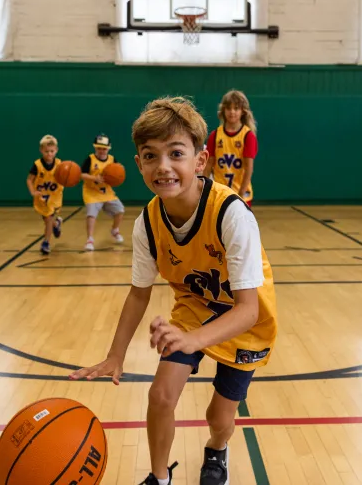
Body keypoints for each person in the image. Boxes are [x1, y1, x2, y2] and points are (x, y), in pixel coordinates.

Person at [70, 97, 278, 485]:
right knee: (160, 396)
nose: (163, 166)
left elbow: (248, 309)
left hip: (245, 319)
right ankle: (159, 476)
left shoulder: (232, 214)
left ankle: (217, 450)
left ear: (199, 161)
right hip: (196, 309)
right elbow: (138, 293)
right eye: (150, 156)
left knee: (220, 418)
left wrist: (190, 339)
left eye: (176, 153)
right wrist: (115, 355)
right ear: (138, 165)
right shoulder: (147, 223)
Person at [204, 90, 258, 206]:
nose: (232, 112)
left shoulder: (248, 136)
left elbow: (248, 168)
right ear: (223, 110)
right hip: (220, 193)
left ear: (243, 111)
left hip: (241, 193)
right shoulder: (215, 135)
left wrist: (241, 193)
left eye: (236, 108)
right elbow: (209, 165)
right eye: (229, 108)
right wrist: (202, 189)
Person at [80, 134, 126, 251]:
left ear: (108, 148)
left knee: (120, 210)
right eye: (99, 148)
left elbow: (118, 171)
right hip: (91, 193)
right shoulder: (90, 159)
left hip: (107, 193)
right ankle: (89, 239)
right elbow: (82, 174)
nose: (101, 150)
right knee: (91, 215)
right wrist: (94, 178)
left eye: (104, 148)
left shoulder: (111, 159)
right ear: (95, 148)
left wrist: (120, 172)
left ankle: (115, 230)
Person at [26, 134, 65, 255]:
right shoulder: (37, 165)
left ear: (56, 150)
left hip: (54, 196)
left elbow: (66, 178)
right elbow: (29, 180)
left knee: (48, 218)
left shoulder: (60, 164)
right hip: (41, 196)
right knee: (47, 219)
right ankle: (56, 224)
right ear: (41, 150)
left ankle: (46, 242)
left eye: (52, 151)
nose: (49, 154)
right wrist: (33, 191)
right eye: (46, 151)